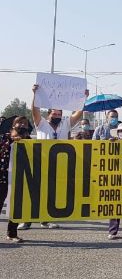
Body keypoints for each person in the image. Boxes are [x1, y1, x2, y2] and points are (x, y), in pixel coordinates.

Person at [19, 84, 88, 230]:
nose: (57, 116)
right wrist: (35, 94)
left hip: (58, 165)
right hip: (40, 162)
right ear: (48, 115)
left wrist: (84, 98)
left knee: (51, 192)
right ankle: (27, 220)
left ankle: (46, 220)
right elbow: (35, 110)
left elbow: (78, 113)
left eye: (59, 114)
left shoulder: (66, 123)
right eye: (54, 114)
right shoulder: (41, 123)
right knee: (34, 192)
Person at [1, 116, 31, 242]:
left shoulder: (29, 140)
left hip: (19, 178)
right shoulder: (4, 137)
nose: (22, 125)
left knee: (17, 206)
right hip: (3, 177)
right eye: (19, 122)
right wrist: (12, 139)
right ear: (13, 125)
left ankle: (12, 233)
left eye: (25, 123)